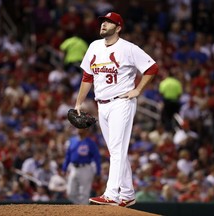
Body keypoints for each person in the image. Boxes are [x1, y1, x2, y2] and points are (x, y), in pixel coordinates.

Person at [73, 12, 158, 207]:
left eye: (109, 22)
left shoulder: (128, 48)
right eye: (103, 21)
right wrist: (78, 103)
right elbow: (87, 77)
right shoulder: (94, 46)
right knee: (115, 150)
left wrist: (137, 90)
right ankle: (127, 193)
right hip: (101, 105)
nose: (103, 24)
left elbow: (152, 68)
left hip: (121, 102)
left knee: (118, 150)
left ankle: (112, 194)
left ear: (118, 28)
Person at [62, 128, 101, 204]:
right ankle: (79, 208)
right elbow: (68, 156)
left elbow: (97, 158)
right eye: (78, 128)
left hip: (85, 168)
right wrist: (64, 168)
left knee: (84, 194)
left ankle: (83, 211)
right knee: (70, 192)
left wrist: (98, 172)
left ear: (86, 131)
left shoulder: (90, 142)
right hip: (73, 168)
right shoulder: (72, 140)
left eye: (82, 129)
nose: (80, 130)